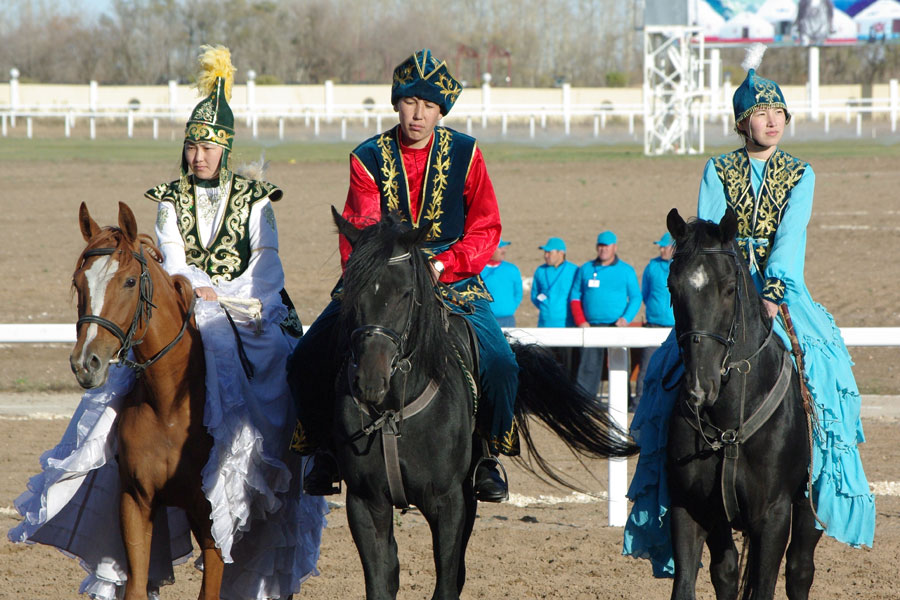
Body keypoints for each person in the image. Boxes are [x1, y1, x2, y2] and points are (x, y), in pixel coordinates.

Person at [8, 46, 326, 599]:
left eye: (206, 146)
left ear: (224, 148)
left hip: (250, 303)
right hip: (186, 296)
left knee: (279, 363)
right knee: (122, 379)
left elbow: (266, 262)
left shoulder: (256, 199)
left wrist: (230, 295)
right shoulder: (170, 198)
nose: (197, 156)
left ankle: (279, 464)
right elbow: (172, 258)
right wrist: (193, 287)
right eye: (191, 145)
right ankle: (98, 459)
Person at [622, 45, 875, 577]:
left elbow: (791, 235)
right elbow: (709, 232)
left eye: (779, 113)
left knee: (823, 371)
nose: (773, 121)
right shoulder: (718, 169)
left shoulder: (800, 173)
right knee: (669, 374)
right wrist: (724, 283)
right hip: (721, 289)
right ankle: (665, 480)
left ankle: (819, 477)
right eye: (762, 113)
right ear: (743, 121)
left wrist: (774, 288)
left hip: (782, 291)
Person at [288, 49, 518, 503]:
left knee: (502, 364)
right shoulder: (368, 157)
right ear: (397, 103)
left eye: (429, 106)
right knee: (305, 360)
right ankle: (325, 451)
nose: (419, 114)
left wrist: (442, 265)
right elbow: (362, 229)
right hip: (382, 279)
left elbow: (486, 227)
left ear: (440, 110)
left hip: (452, 279)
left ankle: (489, 453)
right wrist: (389, 273)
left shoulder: (468, 155)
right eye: (411, 102)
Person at [569, 230, 641, 398]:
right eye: (600, 246)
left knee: (619, 365)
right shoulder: (586, 269)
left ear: (614, 247)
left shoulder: (626, 271)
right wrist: (580, 320)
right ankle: (585, 402)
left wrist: (626, 319)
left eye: (606, 246)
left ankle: (622, 401)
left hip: (616, 325)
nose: (603, 250)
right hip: (591, 325)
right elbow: (575, 296)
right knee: (588, 366)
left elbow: (636, 297)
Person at [633, 232, 675, 412]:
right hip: (654, 325)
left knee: (675, 368)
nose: (661, 249)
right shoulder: (652, 267)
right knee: (648, 368)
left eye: (664, 246)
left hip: (675, 327)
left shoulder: (681, 266)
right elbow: (645, 293)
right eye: (660, 246)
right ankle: (639, 404)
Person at [531, 236, 579, 376]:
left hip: (566, 327)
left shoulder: (574, 270)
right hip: (544, 326)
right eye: (545, 252)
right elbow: (535, 295)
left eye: (549, 252)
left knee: (567, 368)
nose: (546, 255)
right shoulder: (540, 271)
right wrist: (546, 307)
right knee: (545, 369)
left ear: (561, 253)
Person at [481, 239, 523, 327]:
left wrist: (510, 308)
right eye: (500, 247)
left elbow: (518, 293)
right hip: (485, 320)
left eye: (505, 247)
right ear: (490, 249)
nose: (504, 250)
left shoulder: (512, 269)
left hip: (507, 320)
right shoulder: (478, 270)